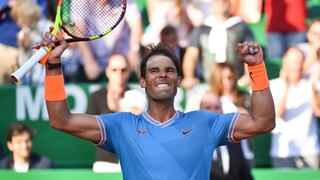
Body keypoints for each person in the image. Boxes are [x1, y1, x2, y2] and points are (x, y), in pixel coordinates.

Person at [41, 27, 275, 179]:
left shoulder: (204, 122)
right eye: (154, 70)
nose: (162, 74)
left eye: (169, 70)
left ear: (179, 80)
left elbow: (262, 122)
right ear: (142, 81)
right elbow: (61, 120)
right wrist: (53, 65)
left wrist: (256, 67)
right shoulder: (122, 125)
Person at [86, 54, 146, 172]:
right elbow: (90, 131)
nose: (119, 74)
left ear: (129, 72)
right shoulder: (96, 96)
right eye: (114, 70)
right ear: (108, 71)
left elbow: (141, 126)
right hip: (105, 162)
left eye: (123, 70)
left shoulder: (136, 95)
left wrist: (118, 108)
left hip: (132, 162)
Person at [181, 0, 254, 89]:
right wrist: (189, 77)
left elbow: (249, 52)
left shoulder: (241, 27)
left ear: (229, 4)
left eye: (224, 1)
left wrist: (248, 75)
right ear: (211, 5)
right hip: (208, 83)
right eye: (217, 1)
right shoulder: (202, 29)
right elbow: (191, 55)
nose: (221, 3)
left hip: (236, 83)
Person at [269, 47, 320, 169]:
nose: (297, 67)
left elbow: (318, 111)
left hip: (310, 150)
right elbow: (278, 114)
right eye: (294, 62)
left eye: (300, 62)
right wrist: (286, 86)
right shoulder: (274, 85)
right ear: (285, 63)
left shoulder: (311, 85)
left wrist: (312, 87)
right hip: (282, 151)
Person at [200, 91, 253, 180]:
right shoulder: (192, 145)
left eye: (217, 107)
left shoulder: (234, 141)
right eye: (208, 108)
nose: (213, 111)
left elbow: (244, 173)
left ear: (222, 111)